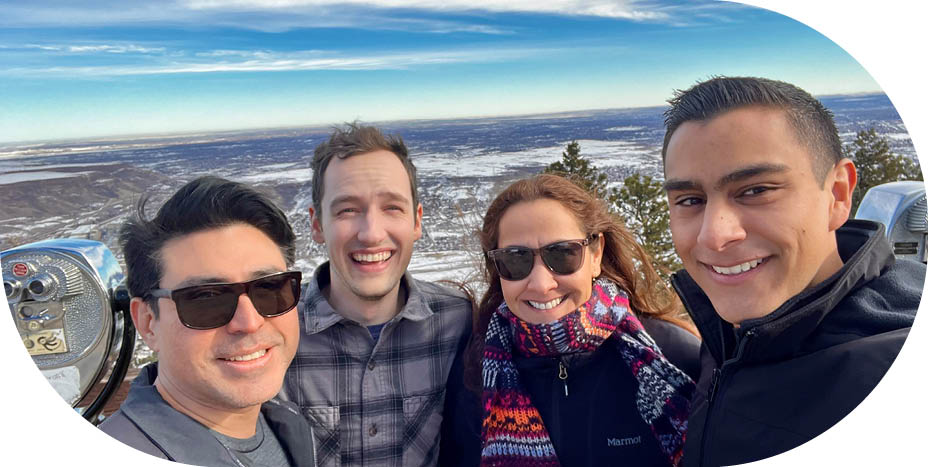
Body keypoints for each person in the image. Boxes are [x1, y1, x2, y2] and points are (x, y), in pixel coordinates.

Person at [661, 76, 924, 466]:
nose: (714, 236)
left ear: (837, 195)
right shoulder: (731, 335)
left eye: (756, 190)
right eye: (689, 200)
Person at [459, 174, 699, 466]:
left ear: (596, 254)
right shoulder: (476, 370)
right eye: (515, 259)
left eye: (562, 254)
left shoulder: (672, 358)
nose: (541, 284)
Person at [278, 124, 472, 466]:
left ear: (416, 221)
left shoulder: (458, 321)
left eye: (392, 207)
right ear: (317, 225)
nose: (371, 233)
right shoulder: (275, 334)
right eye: (347, 210)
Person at [99, 176, 316, 466]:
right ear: (148, 322)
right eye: (206, 299)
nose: (249, 322)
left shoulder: (286, 427)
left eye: (269, 288)